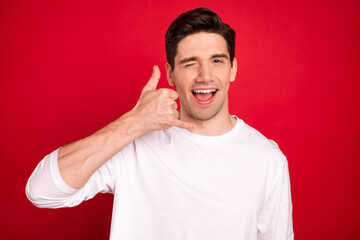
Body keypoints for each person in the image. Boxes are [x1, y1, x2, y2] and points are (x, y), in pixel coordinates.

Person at [26, 7, 294, 240]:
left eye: (217, 61)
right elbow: (42, 191)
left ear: (233, 68)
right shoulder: (133, 144)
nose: (205, 76)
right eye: (190, 63)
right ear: (170, 73)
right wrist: (134, 122)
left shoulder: (267, 159)